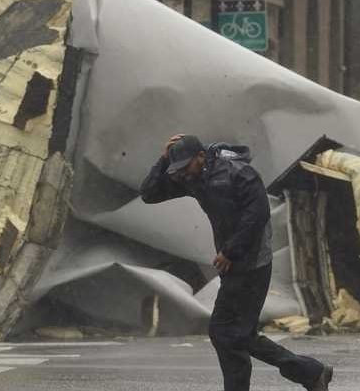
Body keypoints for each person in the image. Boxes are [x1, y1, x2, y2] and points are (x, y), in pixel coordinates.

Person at [141, 134, 334, 391]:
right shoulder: (194, 178)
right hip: (233, 266)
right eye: (180, 169)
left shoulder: (239, 173)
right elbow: (149, 194)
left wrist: (231, 251)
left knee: (227, 333)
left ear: (201, 156)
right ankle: (311, 373)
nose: (184, 173)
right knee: (235, 334)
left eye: (187, 165)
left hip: (253, 263)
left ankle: (310, 372)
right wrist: (164, 160)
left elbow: (257, 215)